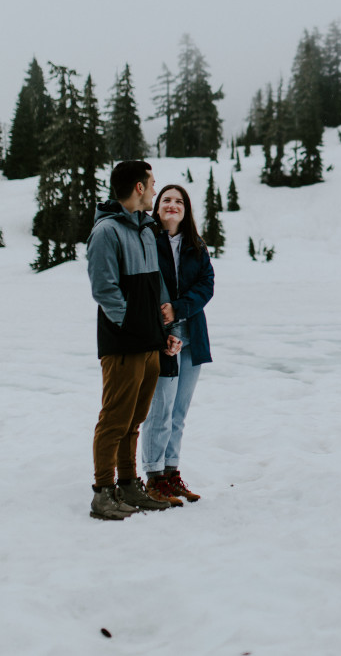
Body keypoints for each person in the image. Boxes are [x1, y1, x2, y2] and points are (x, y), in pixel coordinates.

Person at [85, 160, 184, 520]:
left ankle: (128, 485)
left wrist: (163, 331)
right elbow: (104, 289)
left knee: (134, 420)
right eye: (152, 183)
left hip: (148, 343)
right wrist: (131, 326)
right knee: (115, 419)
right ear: (139, 188)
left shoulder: (145, 229)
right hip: (123, 343)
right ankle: (102, 491)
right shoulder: (107, 232)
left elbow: (155, 287)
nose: (156, 190)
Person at [141, 184, 215, 505]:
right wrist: (165, 318)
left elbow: (206, 285)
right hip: (161, 337)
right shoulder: (147, 241)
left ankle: (171, 474)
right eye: (166, 200)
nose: (172, 204)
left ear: (186, 210)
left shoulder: (196, 246)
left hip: (193, 335)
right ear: (157, 208)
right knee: (161, 409)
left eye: (179, 201)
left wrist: (179, 307)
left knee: (179, 412)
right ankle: (154, 477)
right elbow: (144, 287)